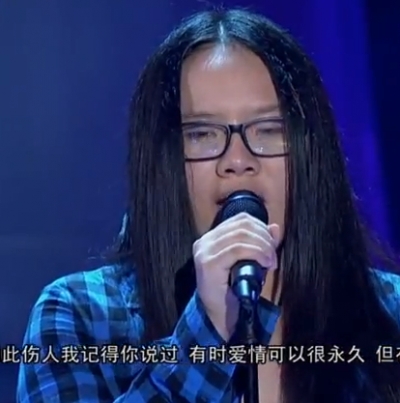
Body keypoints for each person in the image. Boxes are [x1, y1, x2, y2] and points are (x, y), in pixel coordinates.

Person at [16, 7, 400, 403]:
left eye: (268, 130)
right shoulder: (79, 317)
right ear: (164, 160)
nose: (237, 159)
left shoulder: (391, 311)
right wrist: (207, 332)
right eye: (203, 134)